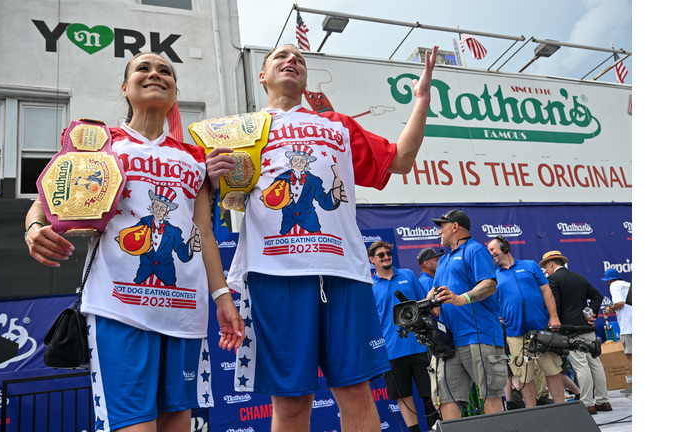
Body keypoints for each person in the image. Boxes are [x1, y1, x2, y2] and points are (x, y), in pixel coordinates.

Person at [205, 43, 437, 432]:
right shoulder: (241, 131)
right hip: (274, 274)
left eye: (299, 58)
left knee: (357, 394)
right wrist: (211, 177)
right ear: (262, 75)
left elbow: (400, 159)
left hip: (343, 272)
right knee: (291, 403)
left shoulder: (337, 125)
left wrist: (422, 101)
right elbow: (220, 201)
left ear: (306, 77)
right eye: (280, 57)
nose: (291, 60)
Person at [24, 52, 244, 432]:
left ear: (175, 93)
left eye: (165, 71)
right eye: (143, 68)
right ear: (125, 88)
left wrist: (223, 298)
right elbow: (44, 203)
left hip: (184, 314)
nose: (155, 74)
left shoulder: (196, 158)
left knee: (176, 423)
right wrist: (33, 229)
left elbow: (203, 232)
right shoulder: (100, 144)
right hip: (119, 310)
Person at [426, 210, 506, 420]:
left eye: (442, 226)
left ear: (455, 227)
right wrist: (423, 306)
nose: (439, 231)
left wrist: (462, 298)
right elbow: (434, 294)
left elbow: (489, 285)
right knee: (445, 398)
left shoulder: (475, 250)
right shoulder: (443, 260)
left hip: (480, 335)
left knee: (490, 395)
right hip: (448, 343)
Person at [487, 236, 565, 407]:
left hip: (541, 328)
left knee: (552, 370)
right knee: (524, 375)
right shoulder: (493, 277)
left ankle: (562, 409)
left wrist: (553, 316)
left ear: (505, 247)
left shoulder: (530, 265)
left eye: (493, 249)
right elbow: (492, 302)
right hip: (514, 333)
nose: (490, 254)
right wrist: (498, 315)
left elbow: (546, 291)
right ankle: (532, 412)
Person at [369, 241, 437, 432]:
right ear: (372, 259)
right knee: (404, 398)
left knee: (431, 392)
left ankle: (436, 428)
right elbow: (371, 322)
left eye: (388, 253)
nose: (386, 257)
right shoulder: (370, 286)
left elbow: (424, 305)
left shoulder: (407, 275)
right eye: (381, 255)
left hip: (420, 344)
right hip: (391, 350)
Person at [540, 251, 611, 415]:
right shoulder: (579, 277)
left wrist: (554, 322)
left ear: (551, 264)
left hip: (570, 330)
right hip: (587, 327)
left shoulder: (553, 280)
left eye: (546, 267)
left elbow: (555, 305)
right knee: (595, 362)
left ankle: (587, 403)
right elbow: (597, 297)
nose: (546, 271)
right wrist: (591, 314)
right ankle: (603, 401)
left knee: (581, 365)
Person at [602, 268, 632, 395]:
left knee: (631, 357)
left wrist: (610, 309)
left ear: (610, 280)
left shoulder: (614, 285)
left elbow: (620, 302)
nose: (607, 283)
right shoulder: (629, 284)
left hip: (628, 326)